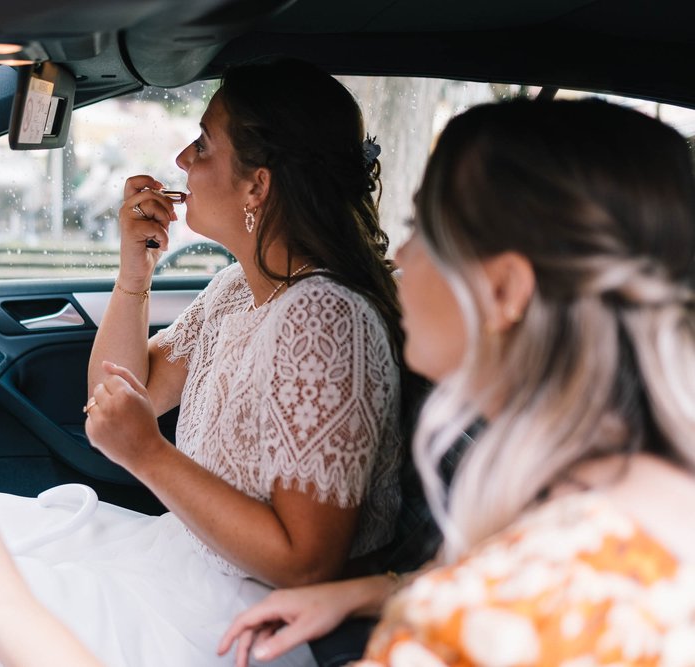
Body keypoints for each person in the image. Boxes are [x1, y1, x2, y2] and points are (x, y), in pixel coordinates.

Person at [0, 58, 407, 667]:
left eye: (203, 145)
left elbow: (306, 563)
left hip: (233, 617)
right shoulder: (236, 290)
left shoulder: (324, 318)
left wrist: (149, 453)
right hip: (174, 559)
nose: (181, 162)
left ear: (259, 186)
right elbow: (114, 393)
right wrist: (135, 272)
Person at [219, 97, 695, 666]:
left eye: (423, 229)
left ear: (503, 291)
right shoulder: (638, 506)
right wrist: (376, 591)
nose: (400, 254)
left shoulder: (485, 614)